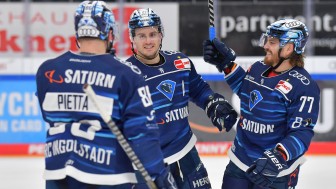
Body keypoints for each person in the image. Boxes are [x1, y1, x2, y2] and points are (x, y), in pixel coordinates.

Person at [35, 1, 177, 188]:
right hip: (109, 176)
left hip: (57, 173)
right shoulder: (126, 74)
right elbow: (142, 134)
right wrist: (159, 173)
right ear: (109, 32)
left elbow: (51, 115)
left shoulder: (47, 70)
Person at [126, 8, 238, 189]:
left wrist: (213, 102)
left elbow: (199, 90)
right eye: (141, 35)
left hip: (186, 154)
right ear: (132, 38)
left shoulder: (180, 62)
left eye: (153, 34)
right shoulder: (126, 75)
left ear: (161, 34)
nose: (148, 41)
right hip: (149, 163)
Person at [203, 18, 320, 189]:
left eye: (272, 42)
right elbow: (246, 91)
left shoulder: (304, 86)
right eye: (266, 40)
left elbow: (302, 132)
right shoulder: (258, 68)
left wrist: (279, 156)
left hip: (275, 172)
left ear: (288, 48)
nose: (265, 46)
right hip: (240, 160)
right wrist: (226, 64)